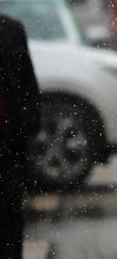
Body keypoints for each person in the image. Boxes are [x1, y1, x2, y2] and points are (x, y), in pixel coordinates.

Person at [0, 15, 40, 259]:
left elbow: (26, 83)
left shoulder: (10, 29)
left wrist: (29, 127)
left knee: (8, 218)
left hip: (7, 144)